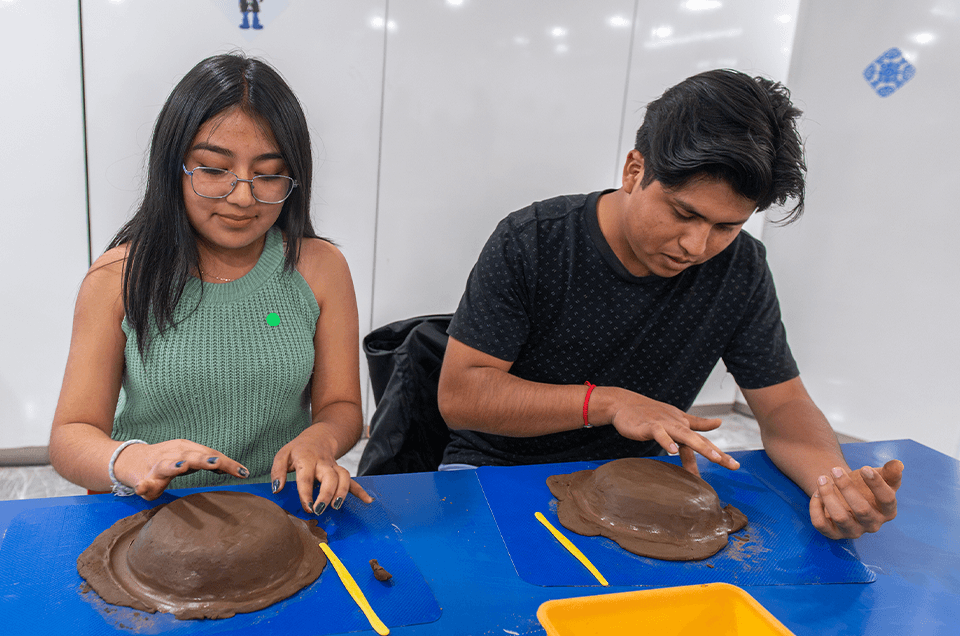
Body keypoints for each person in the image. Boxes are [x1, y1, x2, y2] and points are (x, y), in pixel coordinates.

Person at [437, 69, 903, 540]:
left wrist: (833, 483)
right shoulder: (534, 240)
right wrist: (607, 403)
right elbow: (462, 397)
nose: (697, 246)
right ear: (634, 170)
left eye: (727, 226)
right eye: (685, 213)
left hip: (638, 484)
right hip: (494, 470)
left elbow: (782, 404)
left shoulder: (740, 268)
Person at [49, 53, 372, 516]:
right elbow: (71, 435)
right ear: (174, 167)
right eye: (214, 169)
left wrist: (321, 438)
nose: (243, 196)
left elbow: (340, 404)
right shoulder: (117, 277)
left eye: (267, 174)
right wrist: (132, 459)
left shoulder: (320, 267)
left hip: (277, 507)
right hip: (150, 513)